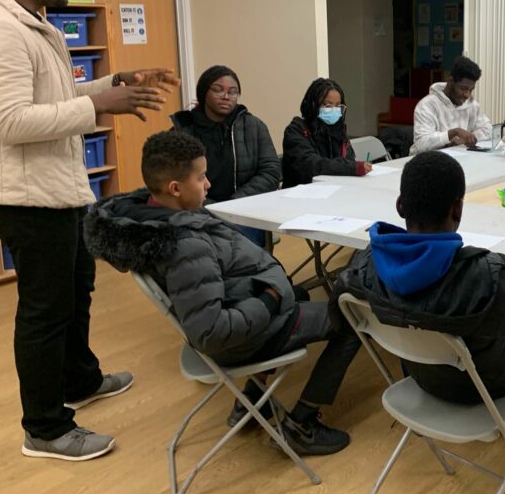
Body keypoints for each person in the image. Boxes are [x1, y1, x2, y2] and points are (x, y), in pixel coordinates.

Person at [0, 0, 178, 461]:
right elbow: (11, 121)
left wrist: (110, 84)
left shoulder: (29, 22)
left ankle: (79, 380)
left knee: (77, 289)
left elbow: (53, 95)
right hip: (23, 195)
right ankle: (46, 429)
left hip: (54, 188)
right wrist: (97, 107)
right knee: (46, 309)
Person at [84, 131, 360, 455]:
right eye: (201, 178)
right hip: (241, 339)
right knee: (351, 319)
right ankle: (302, 424)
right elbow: (211, 332)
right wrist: (269, 299)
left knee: (299, 293)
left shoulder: (150, 218)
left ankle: (251, 402)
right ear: (175, 189)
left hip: (242, 306)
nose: (208, 184)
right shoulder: (186, 244)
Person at [330, 151, 505, 450]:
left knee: (410, 314)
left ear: (400, 206)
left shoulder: (368, 263)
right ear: (457, 209)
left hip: (421, 378)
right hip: (488, 384)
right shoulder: (482, 274)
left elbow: (342, 294)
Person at [171, 66, 280, 245]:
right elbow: (176, 179)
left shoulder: (254, 126)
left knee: (242, 249)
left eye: (233, 92)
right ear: (203, 92)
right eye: (218, 89)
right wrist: (212, 209)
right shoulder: (183, 130)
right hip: (197, 212)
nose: (226, 96)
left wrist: (234, 205)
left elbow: (271, 171)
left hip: (243, 210)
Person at [282, 78, 372, 188]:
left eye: (338, 106)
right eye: (328, 105)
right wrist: (351, 168)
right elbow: (311, 166)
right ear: (313, 105)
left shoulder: (339, 130)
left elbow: (348, 160)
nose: (334, 110)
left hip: (336, 190)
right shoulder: (296, 130)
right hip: (304, 192)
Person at [411, 56, 492, 154]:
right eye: (463, 88)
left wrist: (466, 139)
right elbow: (421, 145)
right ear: (450, 81)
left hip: (458, 157)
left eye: (471, 90)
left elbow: (488, 130)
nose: (467, 95)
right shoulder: (427, 105)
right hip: (427, 162)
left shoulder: (471, 104)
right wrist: (453, 133)